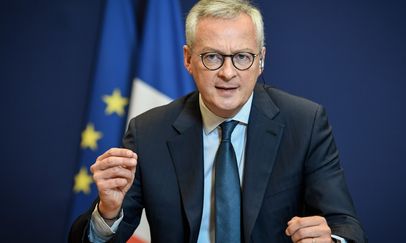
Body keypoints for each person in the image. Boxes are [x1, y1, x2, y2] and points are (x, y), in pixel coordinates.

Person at [69, 0, 366, 242]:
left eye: (242, 57)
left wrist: (331, 241)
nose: (228, 72)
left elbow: (346, 226)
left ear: (261, 60)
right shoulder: (149, 132)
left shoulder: (305, 123)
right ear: (188, 59)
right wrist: (107, 213)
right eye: (212, 57)